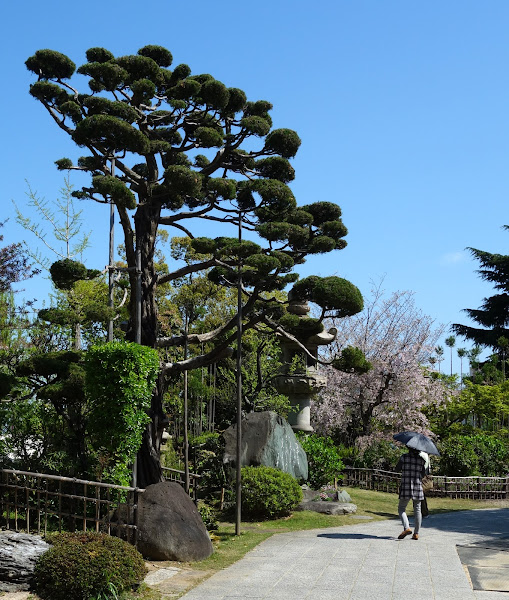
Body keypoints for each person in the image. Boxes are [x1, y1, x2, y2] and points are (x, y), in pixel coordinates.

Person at [395, 447, 425, 540]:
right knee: (418, 510)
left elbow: (397, 469)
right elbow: (424, 474)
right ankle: (416, 533)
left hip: (406, 485)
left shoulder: (404, 457)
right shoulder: (421, 460)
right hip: (417, 486)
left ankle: (407, 527)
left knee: (401, 508)